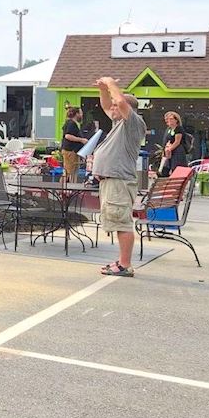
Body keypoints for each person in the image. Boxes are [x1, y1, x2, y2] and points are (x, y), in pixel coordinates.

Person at [92, 77, 145, 278]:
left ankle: (125, 265)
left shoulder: (133, 123)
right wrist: (103, 89)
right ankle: (122, 260)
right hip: (111, 180)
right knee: (116, 220)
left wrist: (111, 84)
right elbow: (106, 105)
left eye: (116, 106)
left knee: (122, 223)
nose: (112, 108)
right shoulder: (118, 124)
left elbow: (121, 101)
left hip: (119, 181)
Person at [60, 106, 88, 181]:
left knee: (71, 171)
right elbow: (68, 136)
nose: (82, 115)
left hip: (72, 151)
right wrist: (81, 140)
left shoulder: (70, 123)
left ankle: (69, 185)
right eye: (81, 113)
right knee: (70, 171)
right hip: (70, 151)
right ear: (76, 114)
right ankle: (67, 186)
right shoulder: (71, 124)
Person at [159, 111, 191, 176]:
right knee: (165, 168)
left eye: (171, 119)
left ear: (176, 120)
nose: (169, 120)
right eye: (168, 119)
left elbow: (177, 142)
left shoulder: (178, 129)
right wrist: (165, 151)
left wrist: (169, 149)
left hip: (177, 151)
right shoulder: (169, 129)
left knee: (176, 168)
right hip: (168, 151)